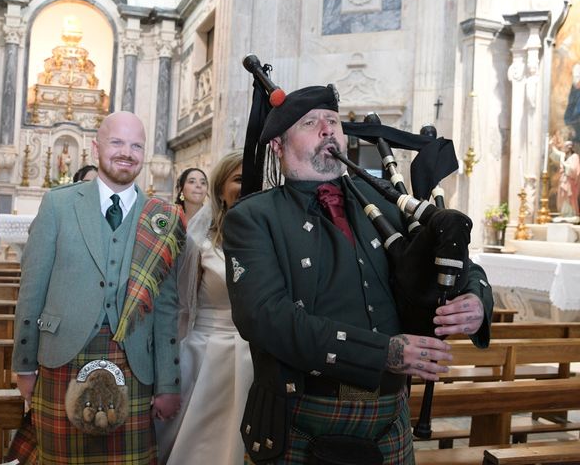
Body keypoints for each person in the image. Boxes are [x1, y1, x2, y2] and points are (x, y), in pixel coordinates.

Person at [222, 86, 494, 464]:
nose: (327, 129)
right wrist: (384, 353)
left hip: (389, 415)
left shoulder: (386, 203)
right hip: (303, 412)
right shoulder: (252, 218)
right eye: (310, 123)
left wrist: (476, 300)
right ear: (278, 147)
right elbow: (265, 317)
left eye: (332, 121)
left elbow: (456, 261)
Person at [10, 111, 184, 464]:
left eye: (136, 145)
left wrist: (168, 383)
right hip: (63, 356)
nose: (127, 152)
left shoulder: (161, 217)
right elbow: (32, 290)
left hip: (134, 362)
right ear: (96, 146)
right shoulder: (58, 204)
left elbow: (166, 310)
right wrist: (24, 364)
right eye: (117, 142)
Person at [157, 149, 253, 464]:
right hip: (207, 355)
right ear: (220, 191)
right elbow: (182, 308)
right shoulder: (200, 245)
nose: (247, 185)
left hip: (256, 357)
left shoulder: (269, 239)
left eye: (252, 178)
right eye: (239, 179)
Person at [556, 140, 580, 217]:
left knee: (569, 197)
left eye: (565, 147)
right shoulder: (567, 158)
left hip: (570, 182)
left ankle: (571, 214)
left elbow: (574, 169)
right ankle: (564, 213)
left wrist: (564, 163)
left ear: (569, 148)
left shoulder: (575, 156)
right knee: (563, 195)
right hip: (564, 180)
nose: (564, 149)